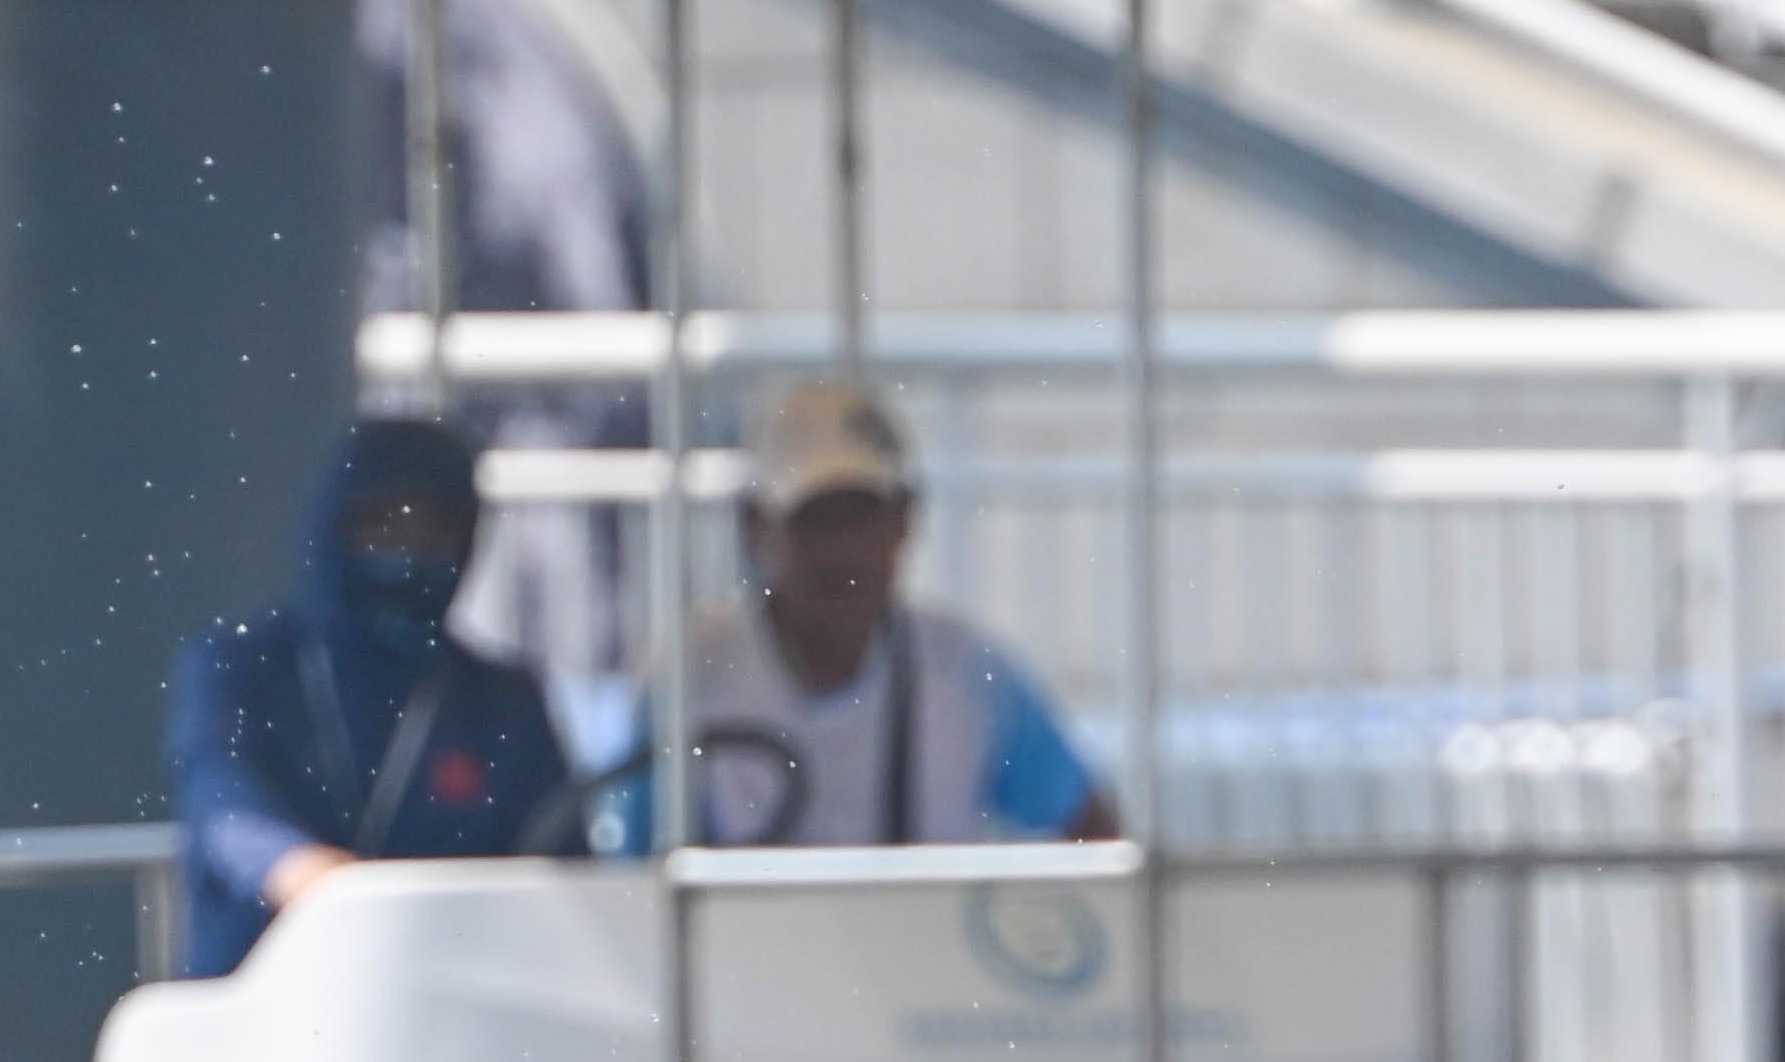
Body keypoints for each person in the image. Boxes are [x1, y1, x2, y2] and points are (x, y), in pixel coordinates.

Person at [166, 412, 589, 976]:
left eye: (434, 533)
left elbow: (563, 863)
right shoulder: (239, 665)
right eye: (379, 526)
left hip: (452, 996)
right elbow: (222, 802)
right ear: (329, 526)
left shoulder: (502, 700)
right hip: (260, 989)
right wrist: (300, 871)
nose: (406, 554)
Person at [666, 377, 1110, 852]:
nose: (842, 550)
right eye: (815, 518)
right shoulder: (689, 680)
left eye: (862, 515)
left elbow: (1094, 833)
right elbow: (628, 869)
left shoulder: (967, 672)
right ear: (755, 528)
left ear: (904, 521)